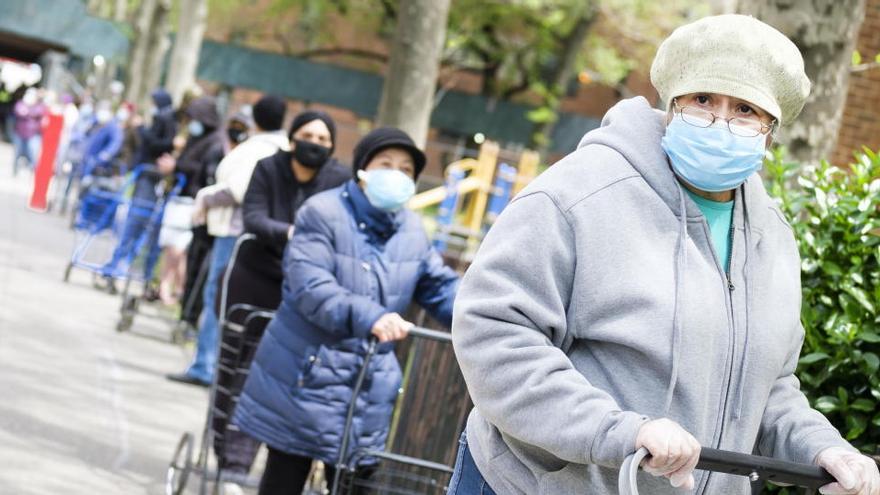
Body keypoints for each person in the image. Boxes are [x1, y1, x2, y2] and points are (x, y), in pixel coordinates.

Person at [448, 14, 880, 495]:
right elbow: (494, 331)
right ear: (672, 103)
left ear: (770, 130)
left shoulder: (772, 237)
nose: (720, 121)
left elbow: (768, 384)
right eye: (702, 100)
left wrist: (823, 448)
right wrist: (620, 431)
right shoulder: (578, 194)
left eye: (745, 109)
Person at [233, 127, 460, 495]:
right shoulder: (321, 213)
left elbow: (438, 286)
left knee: (358, 483)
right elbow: (312, 288)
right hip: (306, 379)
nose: (396, 174)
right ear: (362, 170)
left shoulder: (412, 230)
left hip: (368, 388)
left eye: (406, 169)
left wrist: (481, 312)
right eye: (385, 164)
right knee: (284, 478)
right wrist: (371, 316)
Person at [200, 110, 351, 487]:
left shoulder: (338, 179)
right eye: (307, 135)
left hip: (305, 289)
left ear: (331, 147)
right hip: (255, 279)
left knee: (286, 380)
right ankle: (231, 462)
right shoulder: (268, 168)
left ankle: (275, 466)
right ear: (292, 137)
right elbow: (253, 218)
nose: (313, 144)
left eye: (322, 139)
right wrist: (294, 233)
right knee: (239, 370)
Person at [166, 95, 287, 387]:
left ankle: (206, 365)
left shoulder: (260, 149)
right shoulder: (282, 149)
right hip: (260, 236)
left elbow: (239, 189)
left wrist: (206, 198)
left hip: (235, 231)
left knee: (218, 297)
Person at [156, 96, 226, 305]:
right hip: (180, 196)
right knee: (171, 246)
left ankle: (178, 289)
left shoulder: (214, 142)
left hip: (194, 200)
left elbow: (204, 170)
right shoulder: (196, 138)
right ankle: (166, 288)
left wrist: (176, 167)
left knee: (180, 248)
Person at [11, 87, 45, 175]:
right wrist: (30, 113)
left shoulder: (39, 106)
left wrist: (28, 112)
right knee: (17, 153)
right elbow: (19, 112)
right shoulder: (20, 103)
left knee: (33, 154)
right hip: (20, 133)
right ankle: (15, 171)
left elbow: (39, 113)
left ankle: (33, 172)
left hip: (32, 134)